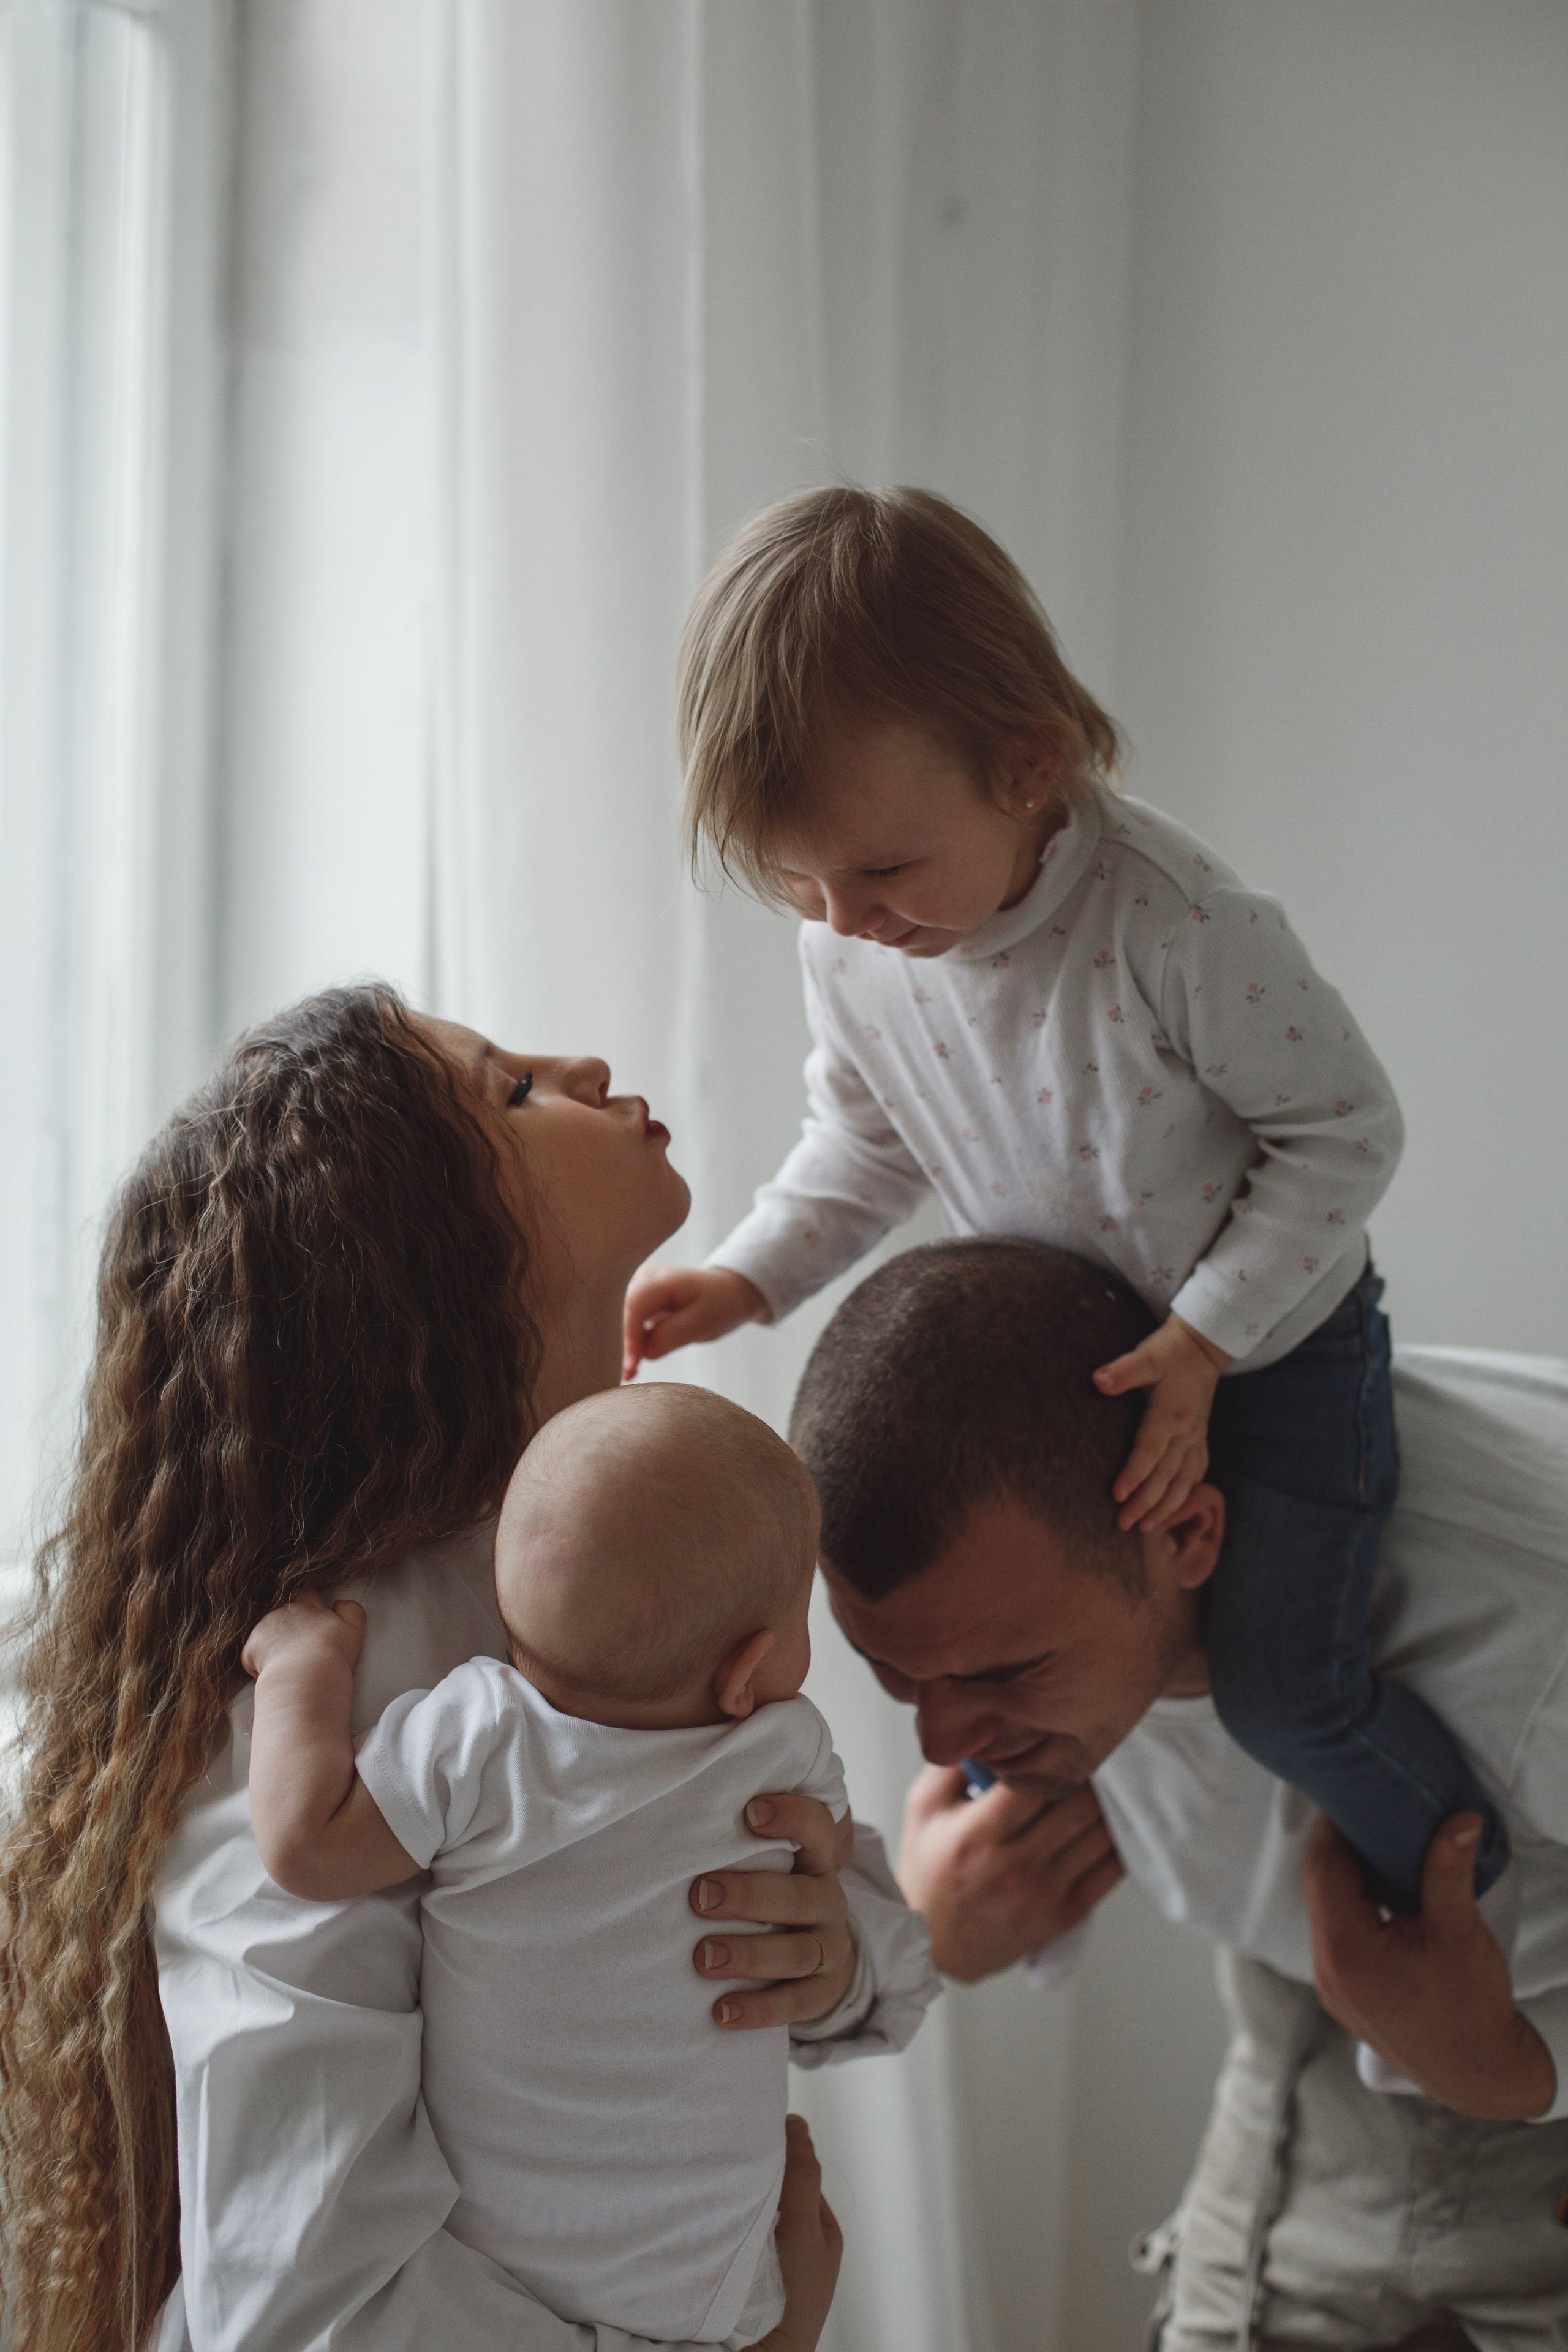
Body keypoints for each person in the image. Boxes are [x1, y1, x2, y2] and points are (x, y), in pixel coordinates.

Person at [0, 984, 937, 2352]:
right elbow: (305, 2302)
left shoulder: (642, 1565)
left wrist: (836, 1955)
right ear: (416, 1260)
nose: (587, 1060)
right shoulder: (330, 1687)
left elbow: (761, 1921)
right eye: (512, 1092)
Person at [620, 483, 1506, 1917]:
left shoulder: (1172, 923)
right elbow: (863, 1141)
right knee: (1011, 1689)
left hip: (1271, 1352)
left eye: (879, 871)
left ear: (1027, 769)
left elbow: (1346, 1134)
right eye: (795, 884)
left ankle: (1464, 1896)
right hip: (1071, 1373)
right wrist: (745, 1276)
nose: (843, 922)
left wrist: (1207, 1338)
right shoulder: (858, 941)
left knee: (1283, 1697)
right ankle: (991, 1929)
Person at [790, 1235, 1568, 2347]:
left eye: (1000, 1674)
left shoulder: (1529, 1624)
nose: (943, 1737)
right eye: (893, 1672)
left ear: (1189, 1532)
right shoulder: (1057, 1616)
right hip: (1289, 2059)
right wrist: (932, 1939)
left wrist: (1515, 2066)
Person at [243, 1383, 846, 2348]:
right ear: (746, 1670)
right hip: (719, 2275)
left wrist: (301, 1669)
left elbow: (306, 1847)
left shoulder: (483, 1738)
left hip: (499, 2259)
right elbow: (830, 1861)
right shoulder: (782, 1748)